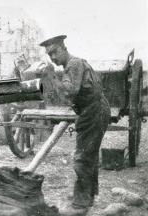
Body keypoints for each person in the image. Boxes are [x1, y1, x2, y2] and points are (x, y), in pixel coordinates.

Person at [39, 35, 111, 215]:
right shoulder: (70, 66)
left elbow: (69, 91)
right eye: (49, 54)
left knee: (82, 157)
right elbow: (65, 95)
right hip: (90, 110)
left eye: (55, 52)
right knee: (89, 155)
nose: (53, 57)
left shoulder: (74, 64)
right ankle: (88, 196)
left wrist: (50, 74)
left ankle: (80, 204)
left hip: (94, 110)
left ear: (64, 48)